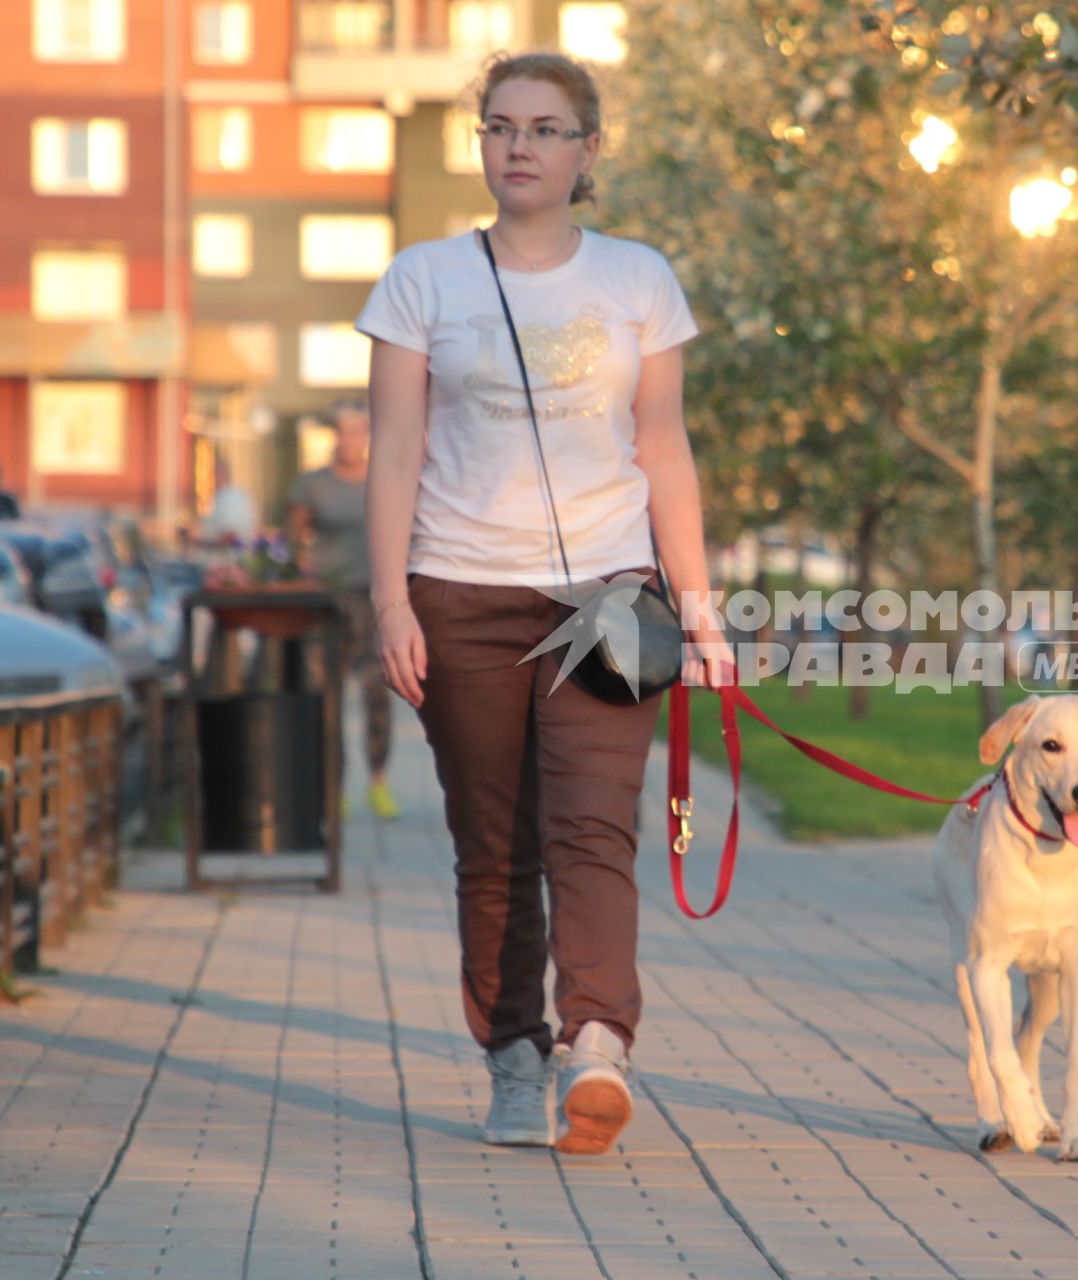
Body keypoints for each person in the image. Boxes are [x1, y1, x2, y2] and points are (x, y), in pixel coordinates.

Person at [359, 51, 732, 1156]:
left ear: (587, 151)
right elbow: (392, 456)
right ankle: (513, 1055)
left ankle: (599, 1043)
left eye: (544, 128)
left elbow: (662, 445)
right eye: (500, 125)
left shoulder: (637, 280)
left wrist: (699, 605)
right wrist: (391, 604)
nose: (517, 146)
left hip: (610, 595)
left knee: (592, 827)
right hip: (459, 592)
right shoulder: (422, 279)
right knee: (494, 843)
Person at [287, 398, 398, 820]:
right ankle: (334, 787)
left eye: (358, 432)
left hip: (373, 600)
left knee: (378, 694)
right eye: (343, 431)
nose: (349, 440)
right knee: (326, 695)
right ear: (333, 435)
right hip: (327, 602)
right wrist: (304, 573)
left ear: (367, 437)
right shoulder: (312, 484)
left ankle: (379, 783)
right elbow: (294, 542)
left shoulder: (385, 478)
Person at [203, 457, 258, 545]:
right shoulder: (217, 496)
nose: (212, 478)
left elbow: (231, 533)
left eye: (214, 474)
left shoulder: (234, 497)